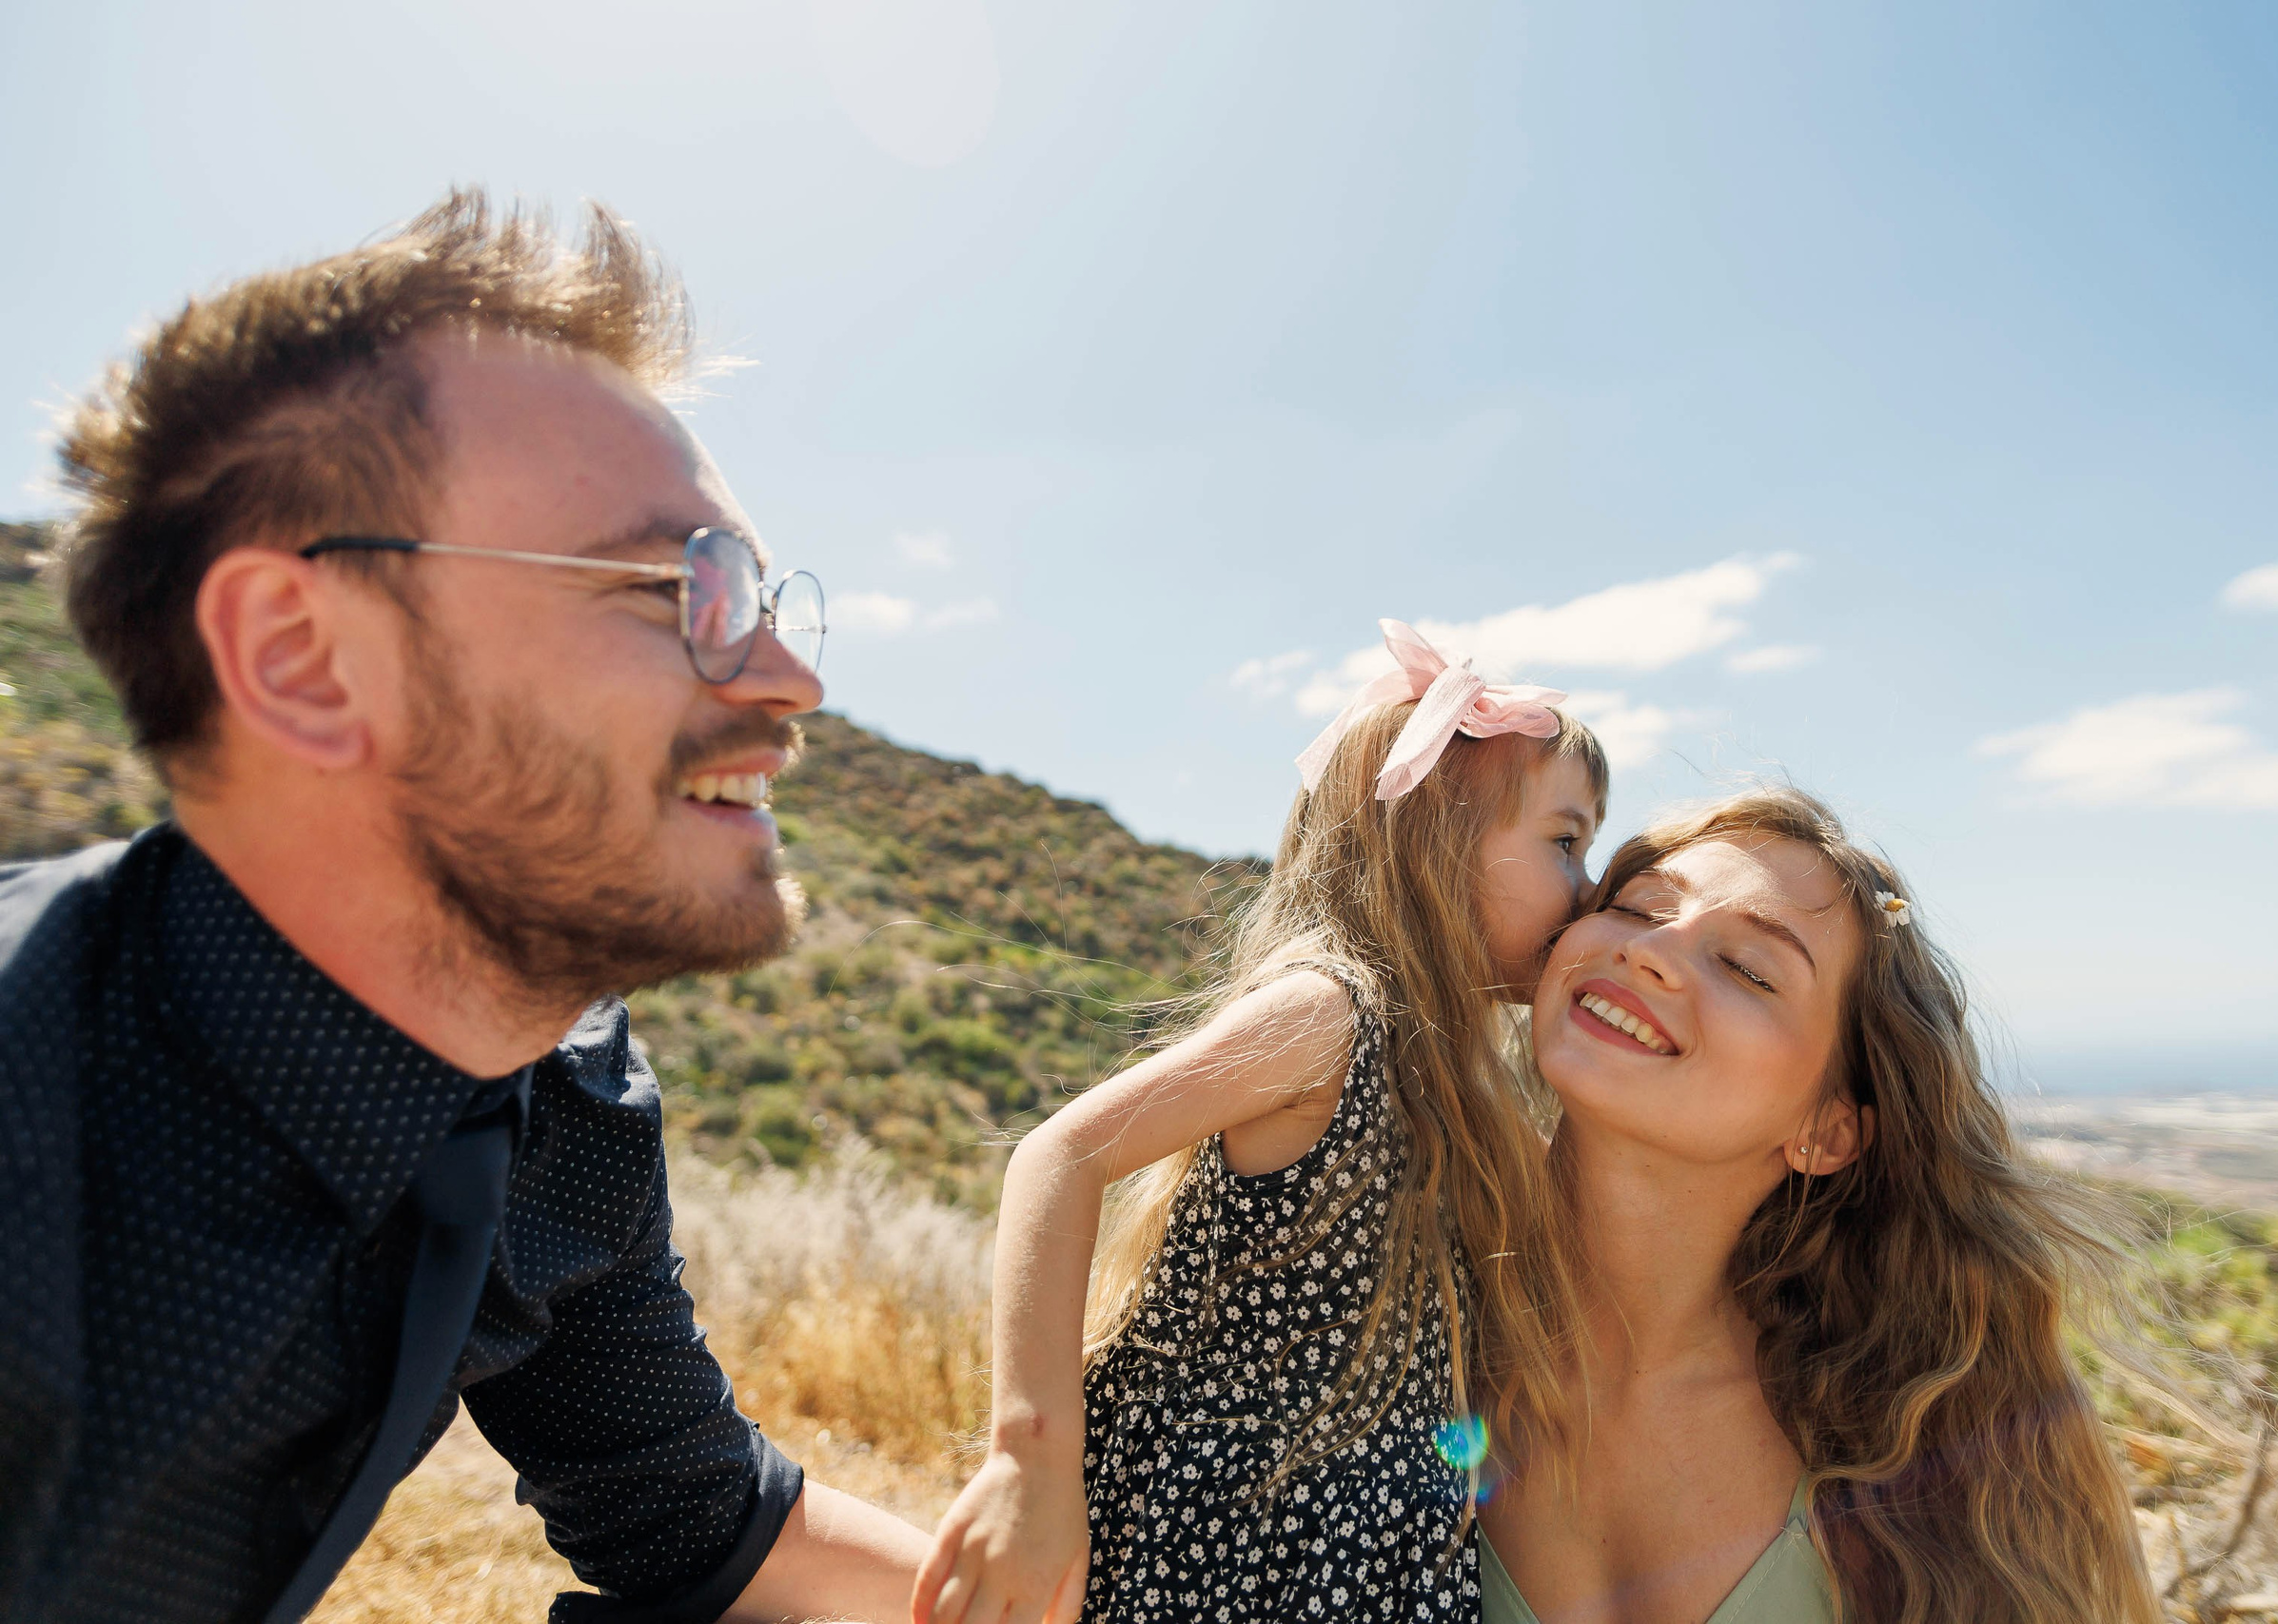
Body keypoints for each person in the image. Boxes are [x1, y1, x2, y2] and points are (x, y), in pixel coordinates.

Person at [0, 192, 928, 1624]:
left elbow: (698, 1515)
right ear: (302, 656)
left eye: (757, 592)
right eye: (674, 586)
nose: (788, 681)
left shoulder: (567, 1098)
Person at [913, 620, 1607, 1624]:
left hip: (1373, 1557)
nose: (1587, 891)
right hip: (1221, 1539)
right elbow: (1058, 1154)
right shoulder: (1328, 1017)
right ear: (1437, 838)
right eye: (1563, 842)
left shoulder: (1478, 1092)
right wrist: (1030, 1461)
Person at [1481, 786, 2160, 1624]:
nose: (1651, 952)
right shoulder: (1392, 1315)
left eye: (1747, 968)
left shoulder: (1906, 1459)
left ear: (1827, 1130)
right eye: (1638, 906)